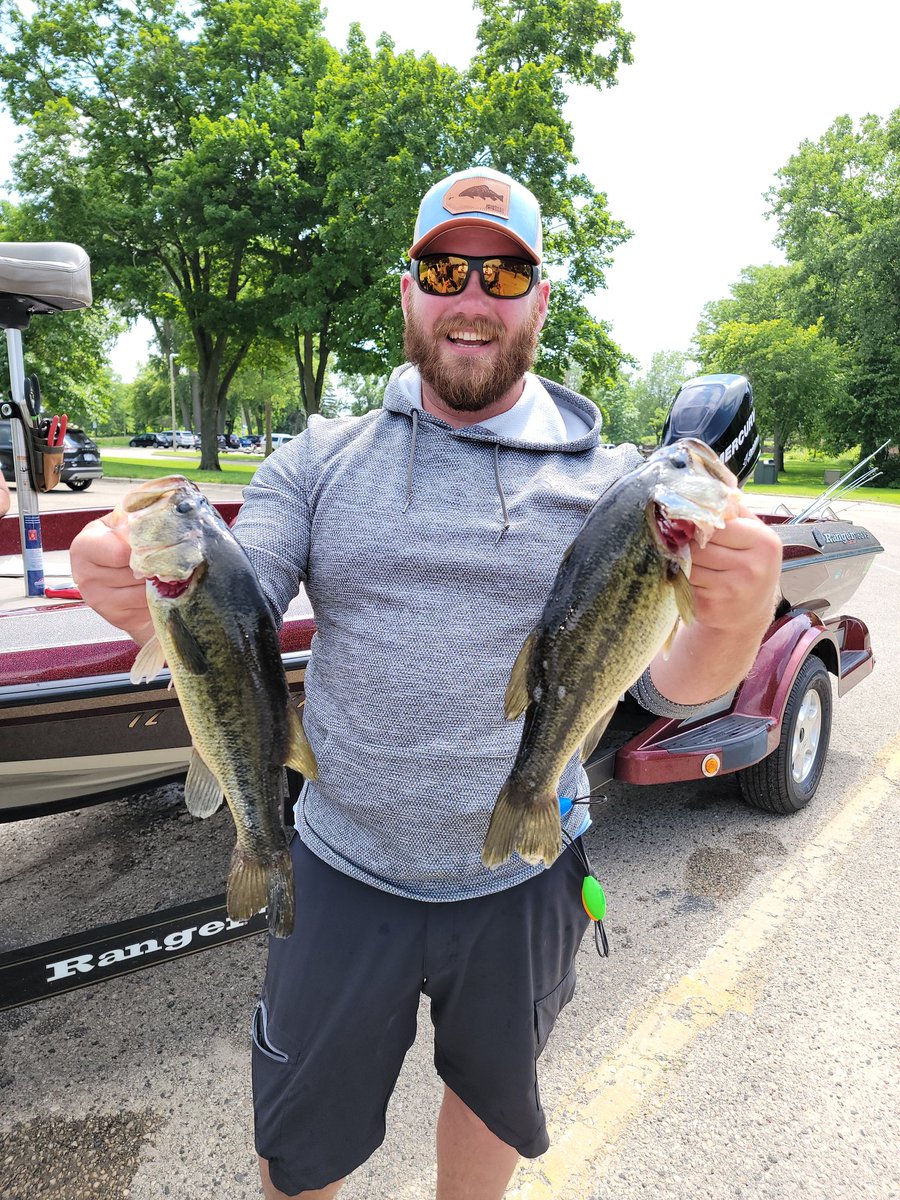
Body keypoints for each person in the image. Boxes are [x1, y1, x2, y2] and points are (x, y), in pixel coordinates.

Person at [70, 167, 782, 1200]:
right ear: (407, 290)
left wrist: (735, 616)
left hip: (525, 880)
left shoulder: (619, 486)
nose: (473, 296)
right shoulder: (317, 460)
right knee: (301, 1146)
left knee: (491, 1101)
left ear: (541, 298)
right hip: (341, 867)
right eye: (446, 267)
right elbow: (242, 607)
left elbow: (673, 689)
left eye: (505, 274)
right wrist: (136, 587)